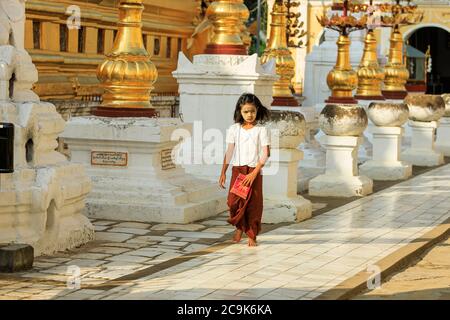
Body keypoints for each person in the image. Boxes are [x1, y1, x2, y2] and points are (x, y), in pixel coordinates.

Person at [219, 93, 271, 247]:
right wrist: (223, 172)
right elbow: (229, 152)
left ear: (257, 111)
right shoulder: (234, 129)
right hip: (238, 170)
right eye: (246, 112)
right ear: (239, 112)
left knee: (253, 204)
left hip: (254, 170)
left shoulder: (262, 130)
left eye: (252, 111)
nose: (249, 115)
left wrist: (254, 173)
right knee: (233, 202)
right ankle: (239, 227)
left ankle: (252, 235)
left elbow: (266, 153)